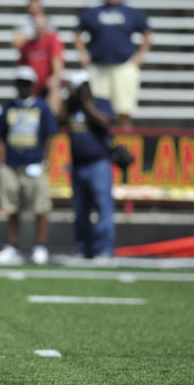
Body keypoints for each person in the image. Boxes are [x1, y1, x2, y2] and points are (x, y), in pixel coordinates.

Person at [0, 65, 58, 266]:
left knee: (41, 207)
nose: (23, 87)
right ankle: (13, 246)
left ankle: (41, 246)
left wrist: (44, 160)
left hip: (34, 163)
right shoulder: (8, 107)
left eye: (26, 83)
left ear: (33, 85)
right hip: (12, 163)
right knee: (12, 207)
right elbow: (0, 136)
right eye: (20, 83)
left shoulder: (42, 107)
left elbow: (49, 135)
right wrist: (2, 161)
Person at [73, 0, 151, 128]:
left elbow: (147, 32)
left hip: (123, 66)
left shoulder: (130, 12)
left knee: (124, 110)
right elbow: (77, 32)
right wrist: (82, 52)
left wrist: (141, 54)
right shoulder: (94, 12)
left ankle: (125, 146)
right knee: (96, 109)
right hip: (98, 66)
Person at [59, 71, 115, 259]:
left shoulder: (100, 102)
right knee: (80, 211)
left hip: (98, 164)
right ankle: (84, 248)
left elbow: (105, 122)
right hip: (78, 166)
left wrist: (86, 104)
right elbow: (58, 121)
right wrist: (69, 99)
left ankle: (104, 249)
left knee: (103, 208)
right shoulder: (71, 107)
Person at [18, 13, 65, 117]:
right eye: (37, 25)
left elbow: (57, 61)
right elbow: (22, 66)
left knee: (54, 89)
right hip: (32, 87)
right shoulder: (27, 45)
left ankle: (51, 123)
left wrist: (55, 77)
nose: (39, 28)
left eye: (42, 25)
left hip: (47, 86)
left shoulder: (52, 39)